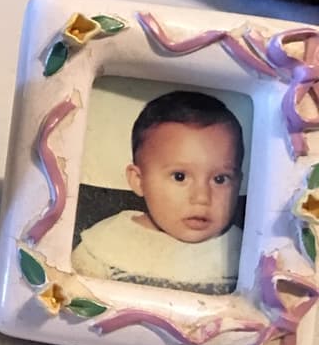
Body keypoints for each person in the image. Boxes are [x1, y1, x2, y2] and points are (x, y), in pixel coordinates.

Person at [71, 90, 244, 294]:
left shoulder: (243, 252)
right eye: (180, 177)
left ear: (238, 183)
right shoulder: (104, 246)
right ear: (139, 181)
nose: (202, 197)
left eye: (220, 179)